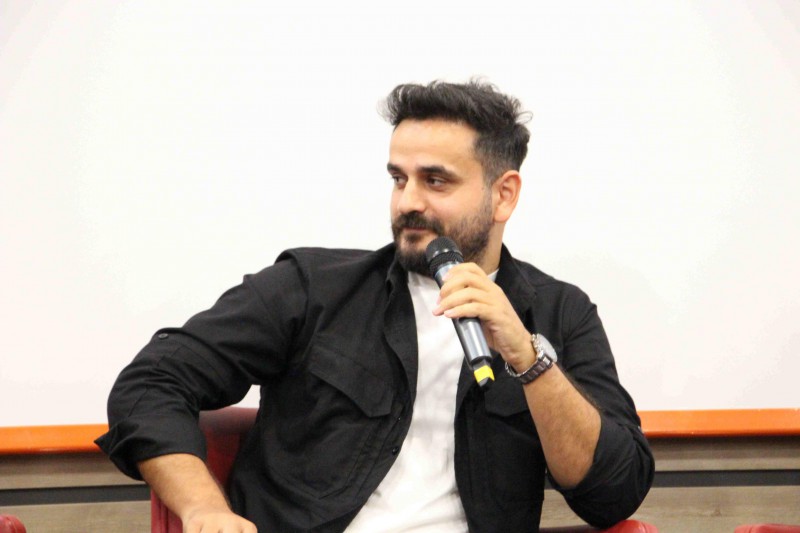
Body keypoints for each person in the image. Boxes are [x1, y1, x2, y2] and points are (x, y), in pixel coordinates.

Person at [97, 80, 654, 533]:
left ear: (503, 194)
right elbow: (152, 383)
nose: (408, 201)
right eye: (398, 178)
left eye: (436, 181)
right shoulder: (312, 288)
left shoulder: (560, 313)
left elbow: (614, 492)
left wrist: (530, 360)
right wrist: (204, 509)